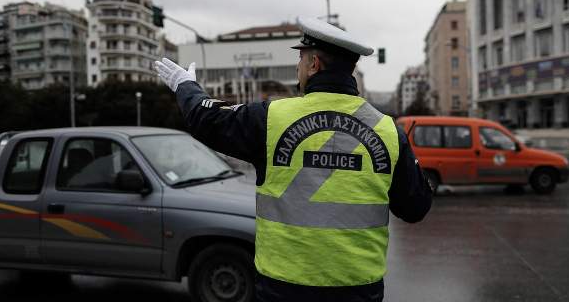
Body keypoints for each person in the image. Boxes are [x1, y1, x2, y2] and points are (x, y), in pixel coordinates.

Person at [155, 17, 432, 302]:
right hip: (359, 290)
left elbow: (209, 120)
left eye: (300, 59)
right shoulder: (387, 131)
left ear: (314, 65)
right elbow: (416, 208)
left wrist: (185, 86)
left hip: (283, 289)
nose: (297, 67)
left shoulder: (272, 118)